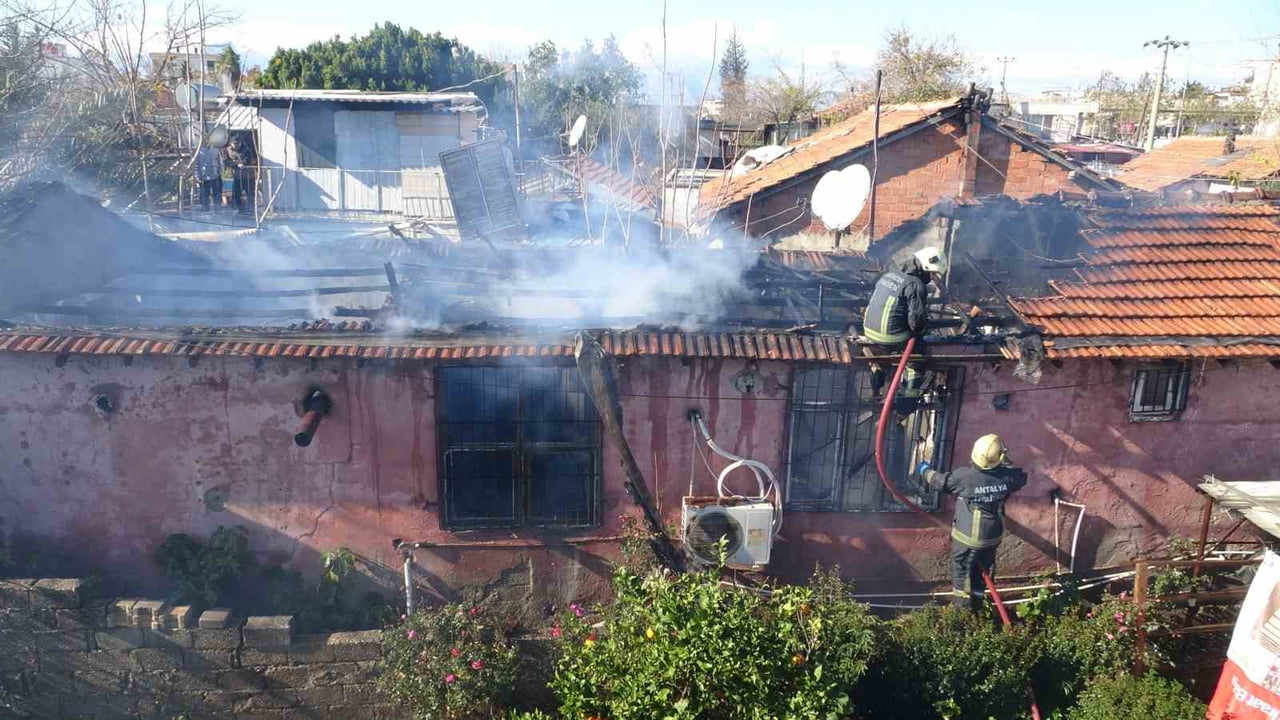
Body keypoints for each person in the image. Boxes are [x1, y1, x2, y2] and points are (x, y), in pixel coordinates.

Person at [916, 434, 1027, 613]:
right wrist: (1004, 459)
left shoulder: (964, 477)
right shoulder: (1008, 478)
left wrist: (923, 470)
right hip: (992, 538)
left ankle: (963, 614)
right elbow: (1020, 476)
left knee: (962, 577)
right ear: (999, 457)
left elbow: (939, 481)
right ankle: (978, 605)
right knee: (981, 575)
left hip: (968, 539)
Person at [860, 247, 947, 398]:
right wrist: (924, 330)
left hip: (868, 330)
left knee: (882, 356)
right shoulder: (915, 284)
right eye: (932, 273)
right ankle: (906, 402)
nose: (932, 277)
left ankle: (876, 380)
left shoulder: (890, 274)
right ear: (924, 268)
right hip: (891, 337)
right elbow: (916, 323)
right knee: (917, 360)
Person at [195, 144, 224, 211]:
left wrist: (220, 172)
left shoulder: (215, 149)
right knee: (205, 193)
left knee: (216, 193)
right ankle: (205, 208)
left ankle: (217, 208)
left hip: (215, 175)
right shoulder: (199, 151)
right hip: (204, 176)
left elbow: (220, 162)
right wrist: (197, 176)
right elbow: (197, 164)